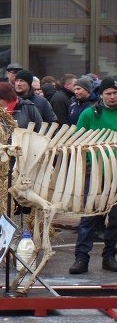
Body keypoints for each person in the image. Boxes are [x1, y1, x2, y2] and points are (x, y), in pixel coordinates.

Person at [69, 77, 117, 274]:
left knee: (115, 219)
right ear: (102, 94)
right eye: (109, 93)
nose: (113, 97)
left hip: (116, 176)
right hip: (96, 174)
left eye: (115, 93)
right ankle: (81, 258)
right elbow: (76, 143)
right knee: (89, 217)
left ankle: (109, 257)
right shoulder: (89, 114)